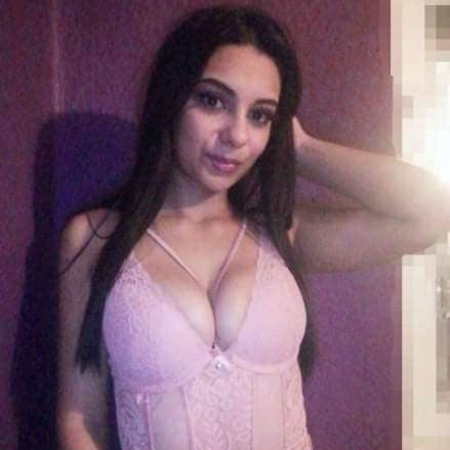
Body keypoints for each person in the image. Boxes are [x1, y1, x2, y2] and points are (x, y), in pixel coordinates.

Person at [56, 5, 450, 450]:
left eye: (260, 115)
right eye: (212, 101)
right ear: (171, 98)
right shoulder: (94, 239)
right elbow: (80, 419)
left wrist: (302, 148)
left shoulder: (280, 234)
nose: (237, 136)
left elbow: (432, 212)